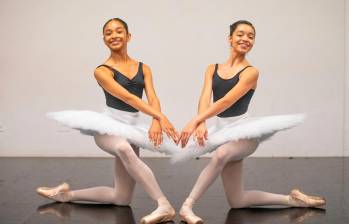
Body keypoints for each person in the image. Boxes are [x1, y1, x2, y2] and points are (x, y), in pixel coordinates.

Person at [177, 20, 326, 224]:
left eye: (250, 36)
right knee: (237, 201)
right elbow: (205, 98)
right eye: (241, 34)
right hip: (222, 132)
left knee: (221, 155)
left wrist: (194, 121)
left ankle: (187, 206)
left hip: (244, 133)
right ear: (230, 38)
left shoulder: (250, 72)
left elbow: (227, 100)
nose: (245, 39)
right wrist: (201, 123)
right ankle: (293, 200)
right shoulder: (212, 68)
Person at [37, 18, 178, 224]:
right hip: (108, 127)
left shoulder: (144, 68)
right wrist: (161, 117)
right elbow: (129, 98)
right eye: (109, 33)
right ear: (104, 39)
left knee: (121, 198)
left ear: (128, 36)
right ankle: (164, 205)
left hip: (132, 127)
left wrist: (157, 121)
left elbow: (153, 98)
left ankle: (66, 195)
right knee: (124, 149)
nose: (114, 36)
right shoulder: (102, 71)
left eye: (119, 31)